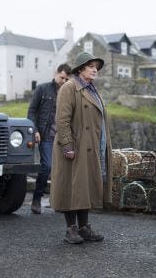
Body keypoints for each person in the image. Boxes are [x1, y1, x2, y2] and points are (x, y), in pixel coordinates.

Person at [50, 52, 113, 244]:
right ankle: (71, 230)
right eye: (90, 66)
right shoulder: (69, 87)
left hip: (90, 145)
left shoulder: (92, 89)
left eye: (96, 66)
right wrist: (68, 145)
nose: (95, 69)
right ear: (80, 69)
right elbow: (62, 120)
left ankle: (84, 228)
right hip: (74, 147)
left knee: (83, 187)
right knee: (71, 186)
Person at [27, 64, 72, 214]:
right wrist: (35, 130)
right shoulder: (42, 89)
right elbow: (32, 111)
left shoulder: (69, 93)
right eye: (62, 77)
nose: (64, 81)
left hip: (63, 137)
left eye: (67, 79)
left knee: (63, 170)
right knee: (46, 166)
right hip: (46, 135)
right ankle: (37, 199)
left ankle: (59, 202)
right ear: (56, 73)